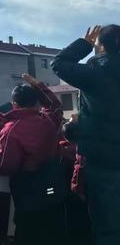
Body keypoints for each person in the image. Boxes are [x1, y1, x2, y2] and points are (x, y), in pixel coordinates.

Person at [52, 24, 120, 245]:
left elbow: (59, 64)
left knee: (107, 225)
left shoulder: (96, 73)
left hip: (103, 157)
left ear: (101, 47)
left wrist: (84, 44)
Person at [0, 73, 65, 245]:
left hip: (28, 191)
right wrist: (38, 85)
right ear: (37, 102)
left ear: (14, 104)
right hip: (53, 182)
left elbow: (6, 166)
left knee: (29, 233)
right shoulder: (48, 120)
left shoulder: (11, 130)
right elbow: (55, 105)